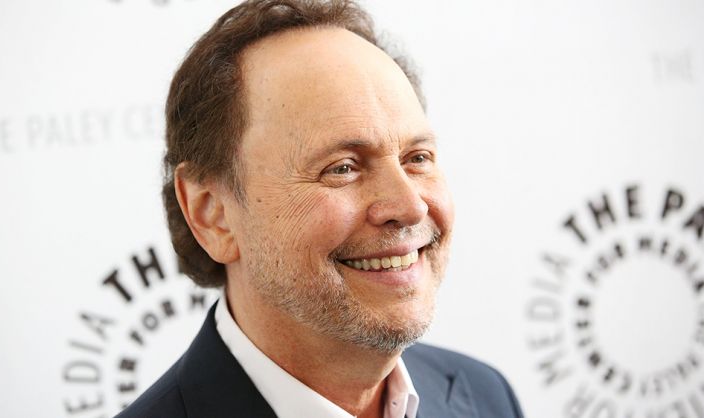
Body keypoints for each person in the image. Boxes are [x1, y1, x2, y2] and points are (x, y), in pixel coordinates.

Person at [116, 0, 524, 417]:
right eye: (342, 168)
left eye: (417, 158)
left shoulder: (486, 396)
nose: (410, 206)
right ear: (213, 214)